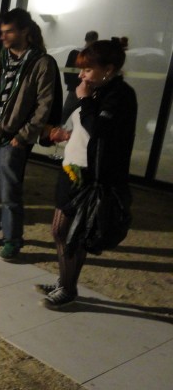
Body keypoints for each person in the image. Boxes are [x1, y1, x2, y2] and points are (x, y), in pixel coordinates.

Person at [36, 40, 136, 308]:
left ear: (108, 69)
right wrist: (66, 134)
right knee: (62, 231)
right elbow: (85, 129)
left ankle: (68, 289)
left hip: (91, 177)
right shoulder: (94, 90)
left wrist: (84, 99)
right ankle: (65, 280)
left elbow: (101, 130)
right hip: (71, 167)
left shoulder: (120, 95)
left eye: (88, 69)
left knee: (70, 233)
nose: (81, 75)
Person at [0, 8, 59, 260]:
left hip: (12, 139)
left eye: (8, 32)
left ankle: (12, 239)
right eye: (1, 32)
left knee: (10, 192)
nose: (3, 37)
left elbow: (44, 104)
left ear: (24, 31)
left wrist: (24, 135)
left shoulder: (41, 63)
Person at [63, 31, 98, 123]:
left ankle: (56, 127)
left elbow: (67, 71)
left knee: (67, 111)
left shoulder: (75, 53)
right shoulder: (93, 55)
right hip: (84, 87)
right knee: (78, 111)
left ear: (85, 39)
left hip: (76, 87)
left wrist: (71, 85)